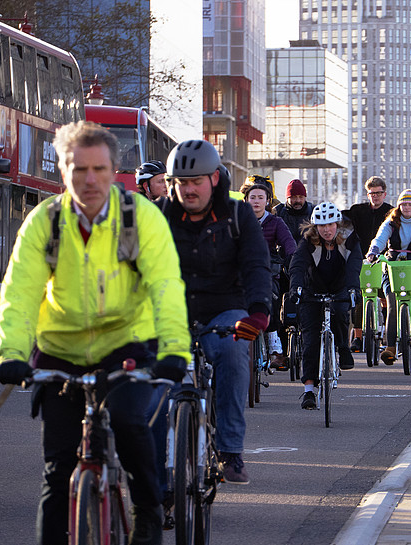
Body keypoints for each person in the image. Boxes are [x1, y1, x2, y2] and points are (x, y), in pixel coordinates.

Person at [0, 121, 191, 545]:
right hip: (60, 350)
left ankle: (148, 513)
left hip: (126, 343)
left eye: (99, 168)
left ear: (114, 170)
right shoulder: (44, 222)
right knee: (58, 468)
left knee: (130, 422)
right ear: (63, 172)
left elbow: (166, 286)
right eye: (77, 168)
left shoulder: (141, 219)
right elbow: (20, 292)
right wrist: (10, 352)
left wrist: (175, 350)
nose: (89, 179)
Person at [157, 139, 272, 485]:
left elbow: (256, 264)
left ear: (215, 180)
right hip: (173, 310)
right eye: (181, 182)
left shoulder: (237, 215)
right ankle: (156, 474)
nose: (188, 189)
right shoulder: (160, 214)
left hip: (225, 307)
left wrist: (258, 313)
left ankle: (229, 451)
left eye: (196, 181)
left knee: (233, 353)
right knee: (150, 375)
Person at [289, 202, 361, 409]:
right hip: (312, 291)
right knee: (310, 340)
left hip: (340, 288)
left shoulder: (350, 239)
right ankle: (309, 391)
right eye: (322, 226)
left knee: (340, 313)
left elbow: (354, 267)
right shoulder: (308, 242)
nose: (326, 230)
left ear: (337, 224)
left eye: (330, 225)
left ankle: (343, 348)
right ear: (315, 227)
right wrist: (296, 288)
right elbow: (297, 266)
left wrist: (353, 289)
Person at [366, 189, 411, 364]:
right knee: (392, 302)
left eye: (410, 204)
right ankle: (390, 347)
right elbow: (379, 239)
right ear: (399, 206)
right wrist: (373, 252)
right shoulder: (390, 223)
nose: (406, 207)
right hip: (393, 265)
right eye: (403, 204)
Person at [242, 181, 296, 368]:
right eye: (252, 197)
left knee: (271, 301)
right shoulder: (238, 219)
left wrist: (294, 258)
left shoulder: (275, 222)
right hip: (241, 268)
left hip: (268, 268)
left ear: (268, 201)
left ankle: (275, 347)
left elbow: (289, 244)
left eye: (260, 198)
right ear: (246, 200)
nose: (256, 201)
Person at [344, 176, 393, 351]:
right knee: (358, 296)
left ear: (384, 194)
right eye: (372, 193)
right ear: (367, 194)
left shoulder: (392, 212)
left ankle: (389, 334)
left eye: (378, 193)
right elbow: (341, 222)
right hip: (361, 259)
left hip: (384, 260)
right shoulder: (358, 211)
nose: (375, 196)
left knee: (386, 296)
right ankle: (357, 338)